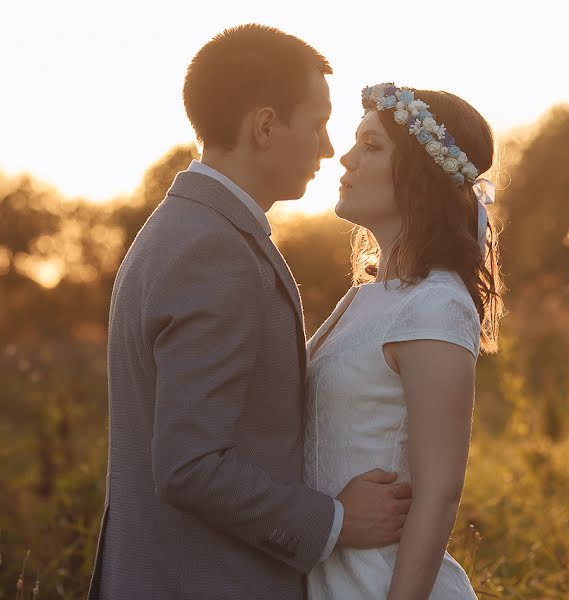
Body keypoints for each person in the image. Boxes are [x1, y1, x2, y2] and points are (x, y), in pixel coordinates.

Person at [87, 26, 412, 600]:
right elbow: (192, 464)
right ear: (264, 126)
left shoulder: (186, 228)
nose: (328, 147)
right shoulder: (211, 250)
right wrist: (337, 522)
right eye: (317, 123)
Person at [304, 83, 504, 599]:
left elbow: (439, 493)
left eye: (371, 146)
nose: (344, 159)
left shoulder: (435, 304)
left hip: (384, 584)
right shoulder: (365, 298)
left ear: (418, 176)